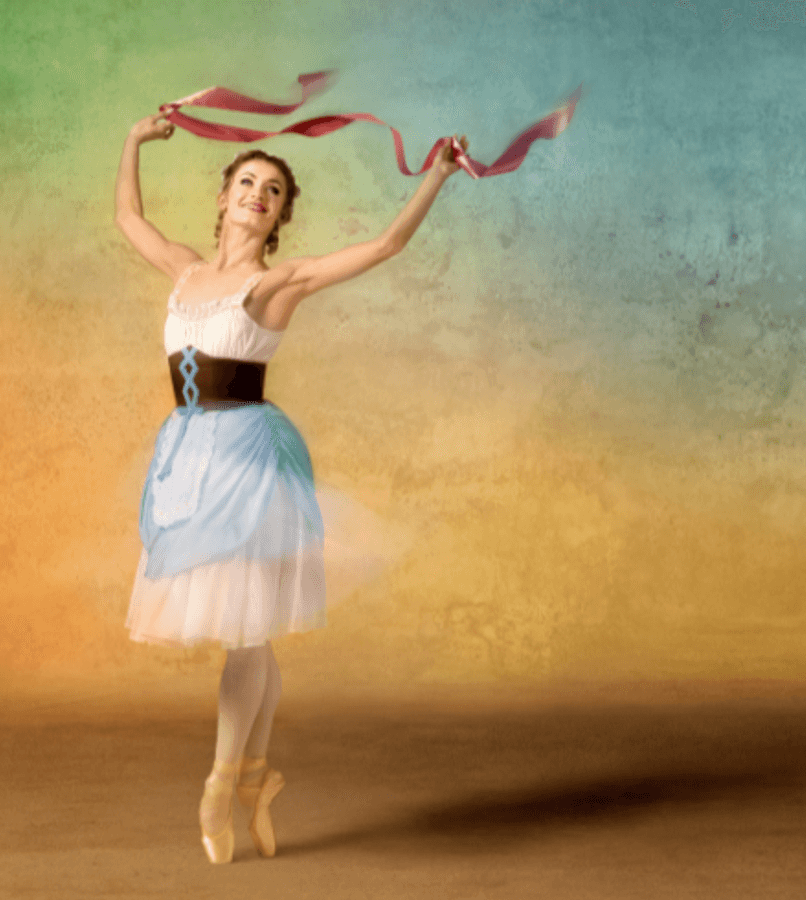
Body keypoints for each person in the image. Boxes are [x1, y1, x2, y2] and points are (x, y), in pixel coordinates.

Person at [114, 109, 469, 864]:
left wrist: (436, 172)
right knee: (255, 626)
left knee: (246, 628)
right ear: (222, 197)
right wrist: (134, 141)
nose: (256, 193)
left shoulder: (277, 282)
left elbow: (386, 244)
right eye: (245, 181)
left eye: (272, 189)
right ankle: (253, 776)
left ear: (279, 214)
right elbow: (126, 217)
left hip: (247, 457)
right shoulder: (183, 268)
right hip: (186, 459)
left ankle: (219, 781)